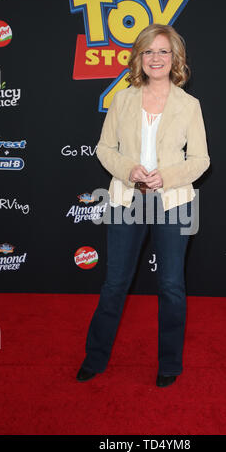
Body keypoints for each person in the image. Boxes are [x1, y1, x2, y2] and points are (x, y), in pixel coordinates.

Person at [76, 23, 210, 387]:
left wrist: (164, 176)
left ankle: (169, 364)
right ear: (140, 57)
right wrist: (128, 170)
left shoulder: (189, 105)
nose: (156, 58)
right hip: (126, 200)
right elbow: (105, 149)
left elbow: (200, 160)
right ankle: (95, 357)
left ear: (174, 58)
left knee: (170, 285)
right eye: (149, 51)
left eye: (163, 51)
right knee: (115, 283)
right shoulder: (123, 99)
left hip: (173, 203)